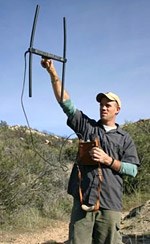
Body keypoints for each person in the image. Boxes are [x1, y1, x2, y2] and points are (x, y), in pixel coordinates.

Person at [41, 59, 140, 244]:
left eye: (108, 104)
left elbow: (133, 170)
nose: (103, 107)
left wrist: (108, 160)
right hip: (84, 200)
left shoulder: (124, 138)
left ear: (117, 109)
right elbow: (66, 104)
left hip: (110, 204)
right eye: (101, 104)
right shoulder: (87, 127)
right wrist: (53, 73)